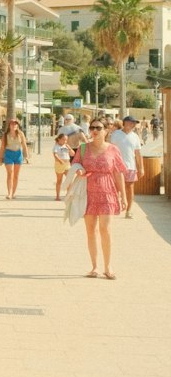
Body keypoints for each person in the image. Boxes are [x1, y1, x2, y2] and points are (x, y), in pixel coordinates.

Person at [71, 118, 126, 278]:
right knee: (90, 230)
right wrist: (79, 171)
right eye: (92, 127)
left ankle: (108, 267)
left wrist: (122, 194)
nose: (94, 130)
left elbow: (118, 172)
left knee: (105, 229)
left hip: (107, 190)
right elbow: (75, 166)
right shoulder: (83, 149)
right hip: (87, 191)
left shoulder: (113, 149)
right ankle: (94, 267)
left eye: (98, 127)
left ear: (106, 130)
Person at [108, 113, 144, 218]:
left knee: (130, 188)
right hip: (116, 166)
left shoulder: (135, 137)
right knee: (115, 188)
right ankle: (114, 207)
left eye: (134, 123)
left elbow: (138, 153)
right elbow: (110, 149)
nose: (132, 124)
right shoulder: (116, 134)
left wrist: (141, 168)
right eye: (130, 122)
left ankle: (129, 211)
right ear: (124, 123)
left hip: (131, 166)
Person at [0, 117, 29, 200]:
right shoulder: (5, 135)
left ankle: (13, 193)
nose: (13, 125)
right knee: (10, 173)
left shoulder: (21, 134)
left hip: (18, 154)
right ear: (9, 125)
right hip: (8, 154)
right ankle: (9, 193)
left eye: (15, 124)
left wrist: (26, 156)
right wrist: (0, 158)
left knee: (16, 175)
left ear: (17, 125)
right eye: (12, 124)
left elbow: (24, 145)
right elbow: (2, 147)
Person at [51, 128, 72, 201]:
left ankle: (68, 194)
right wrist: (60, 161)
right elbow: (55, 155)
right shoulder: (56, 146)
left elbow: (73, 154)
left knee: (69, 179)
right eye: (63, 139)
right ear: (59, 139)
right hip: (59, 164)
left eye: (66, 140)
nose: (65, 141)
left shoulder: (66, 146)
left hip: (67, 164)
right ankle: (57, 196)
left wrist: (69, 148)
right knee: (59, 181)